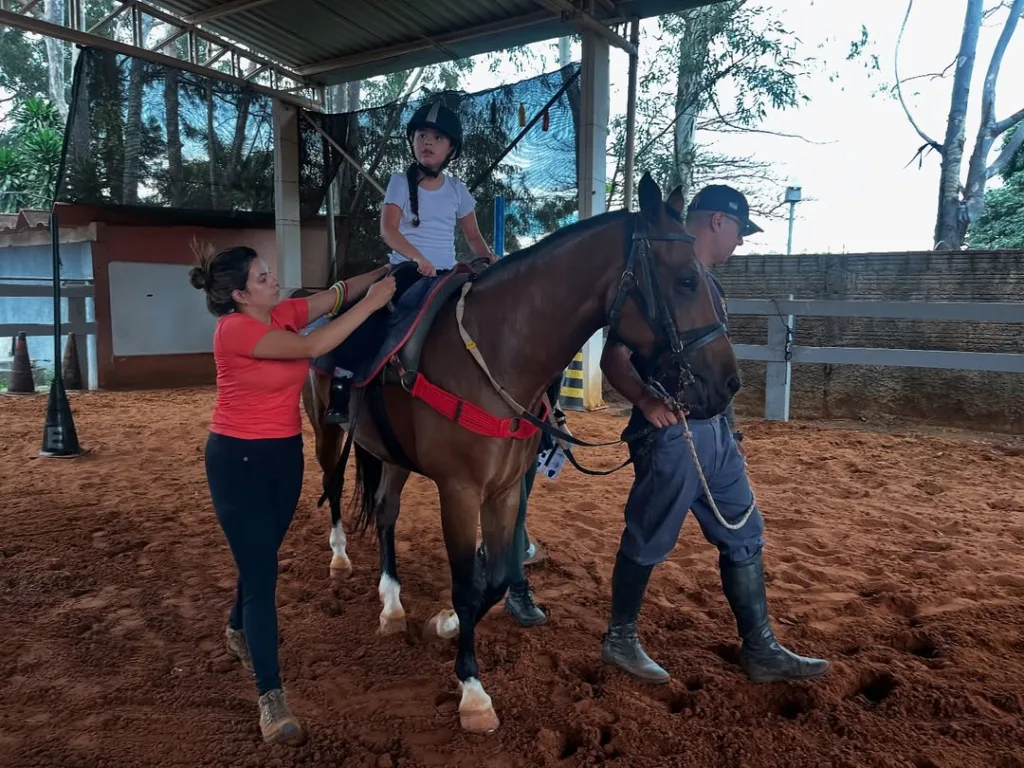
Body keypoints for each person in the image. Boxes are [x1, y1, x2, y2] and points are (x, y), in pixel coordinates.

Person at [598, 184, 830, 685]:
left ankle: (761, 647)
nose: (741, 244)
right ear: (717, 223)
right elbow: (613, 356)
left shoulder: (709, 287)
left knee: (745, 532)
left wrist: (730, 426)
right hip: (673, 434)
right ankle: (620, 639)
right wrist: (645, 400)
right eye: (740, 231)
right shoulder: (659, 279)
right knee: (649, 536)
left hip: (717, 435)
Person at [189, 242, 396, 746]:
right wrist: (370, 306)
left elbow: (334, 295)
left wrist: (385, 272)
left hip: (284, 456)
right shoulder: (235, 329)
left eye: (270, 273)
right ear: (239, 294)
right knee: (262, 577)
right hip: (237, 461)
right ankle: (271, 697)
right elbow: (312, 347)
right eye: (262, 278)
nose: (273, 280)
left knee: (260, 557)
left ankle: (237, 624)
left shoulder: (281, 313)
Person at [325, 100, 497, 424]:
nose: (427, 142)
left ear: (451, 149)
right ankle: (341, 383)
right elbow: (388, 230)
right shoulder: (399, 182)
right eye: (421, 135)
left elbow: (473, 237)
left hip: (447, 273)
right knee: (369, 316)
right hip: (407, 270)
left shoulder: (458, 190)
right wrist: (417, 259)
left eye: (437, 137)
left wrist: (490, 257)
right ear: (413, 142)